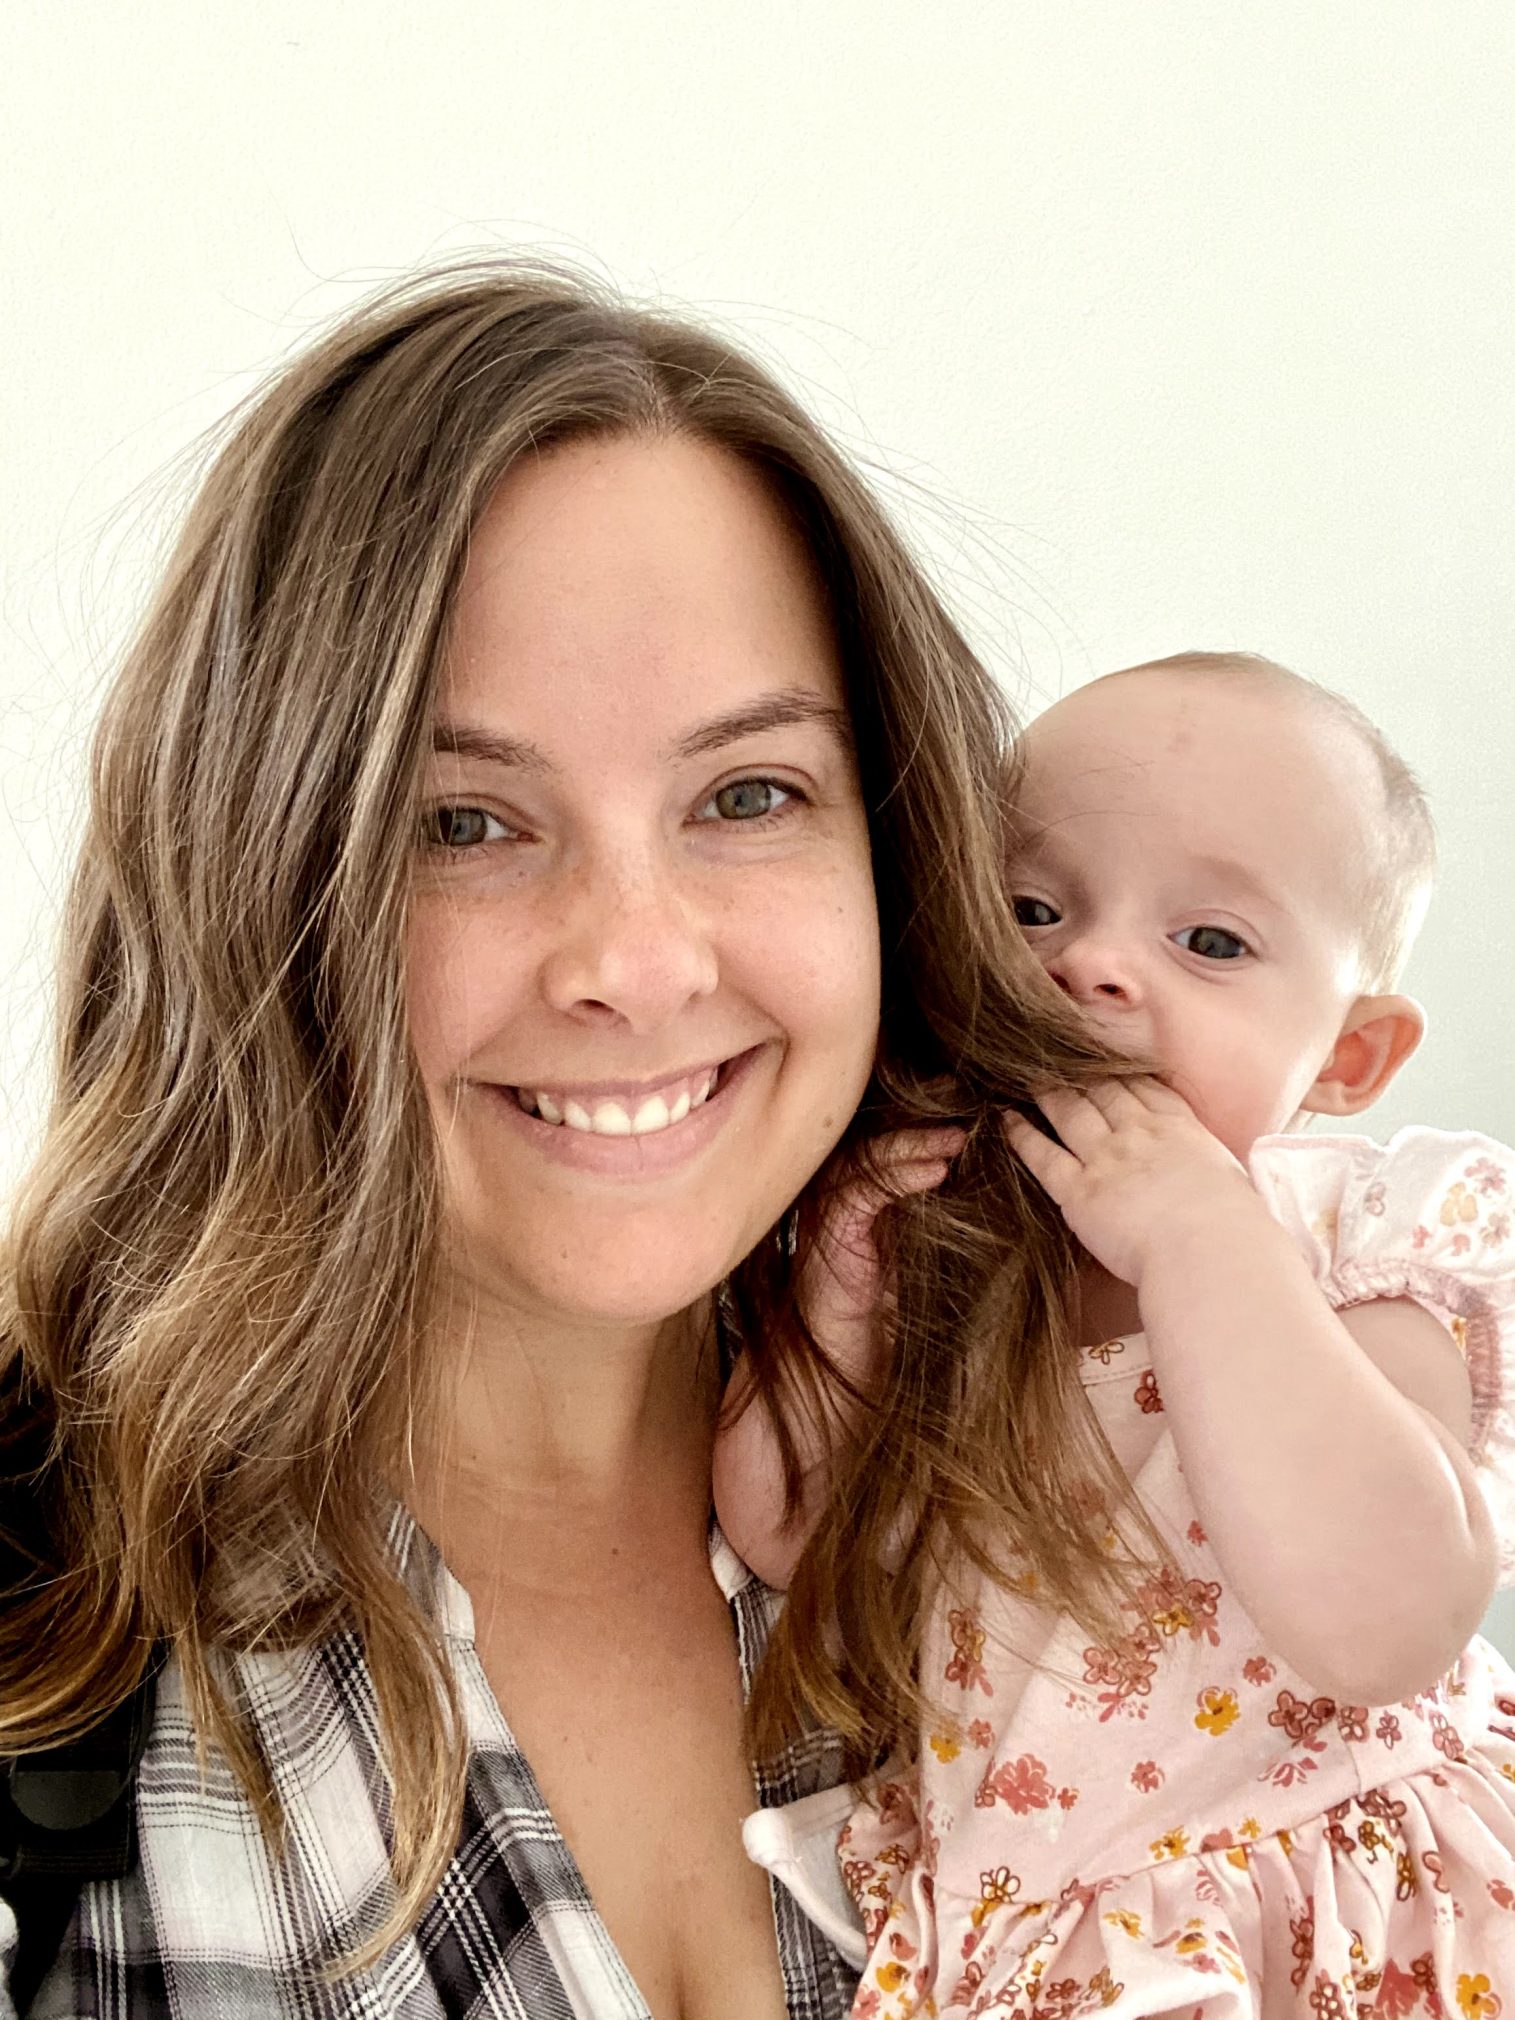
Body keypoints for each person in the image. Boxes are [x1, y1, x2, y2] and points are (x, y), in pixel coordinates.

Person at [0, 259, 1129, 2018]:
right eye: (465, 822)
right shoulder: (36, 1594)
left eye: (748, 795)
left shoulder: (1132, 1499)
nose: (635, 961)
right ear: (261, 877)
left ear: (893, 849)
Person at [723, 653, 1515, 2017]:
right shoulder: (958, 1247)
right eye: (1033, 907)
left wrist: (1199, 1239)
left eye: (1209, 942)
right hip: (1043, 1930)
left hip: (1328, 1909)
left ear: (1347, 1058)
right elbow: (791, 1539)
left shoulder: (1359, 1233)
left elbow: (1389, 1620)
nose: (1087, 964)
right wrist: (838, 1304)